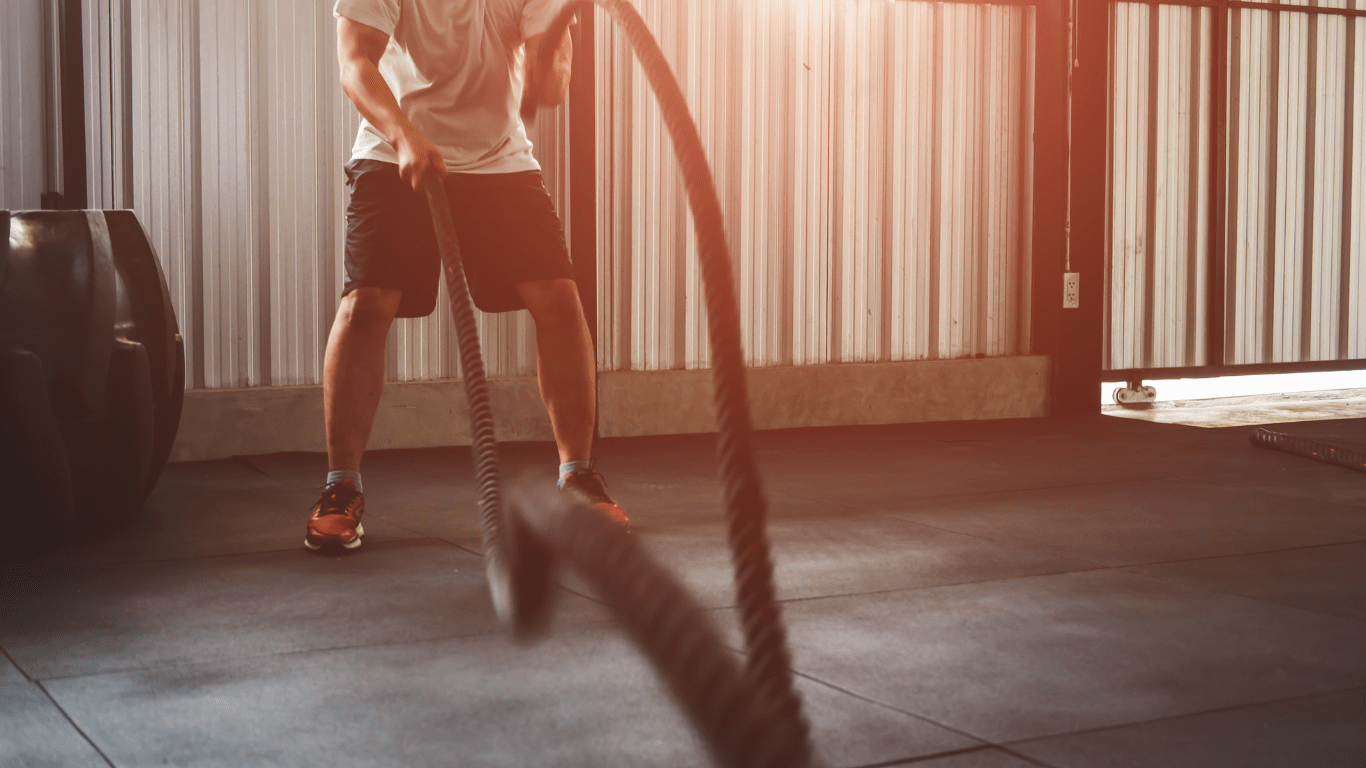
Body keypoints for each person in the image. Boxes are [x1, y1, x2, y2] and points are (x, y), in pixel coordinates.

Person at [306, 0, 626, 551]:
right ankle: (341, 488)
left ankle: (577, 475)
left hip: (498, 158)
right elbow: (356, 63)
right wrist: (406, 136)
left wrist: (553, 36)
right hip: (393, 149)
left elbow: (548, 90)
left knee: (558, 297)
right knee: (368, 303)